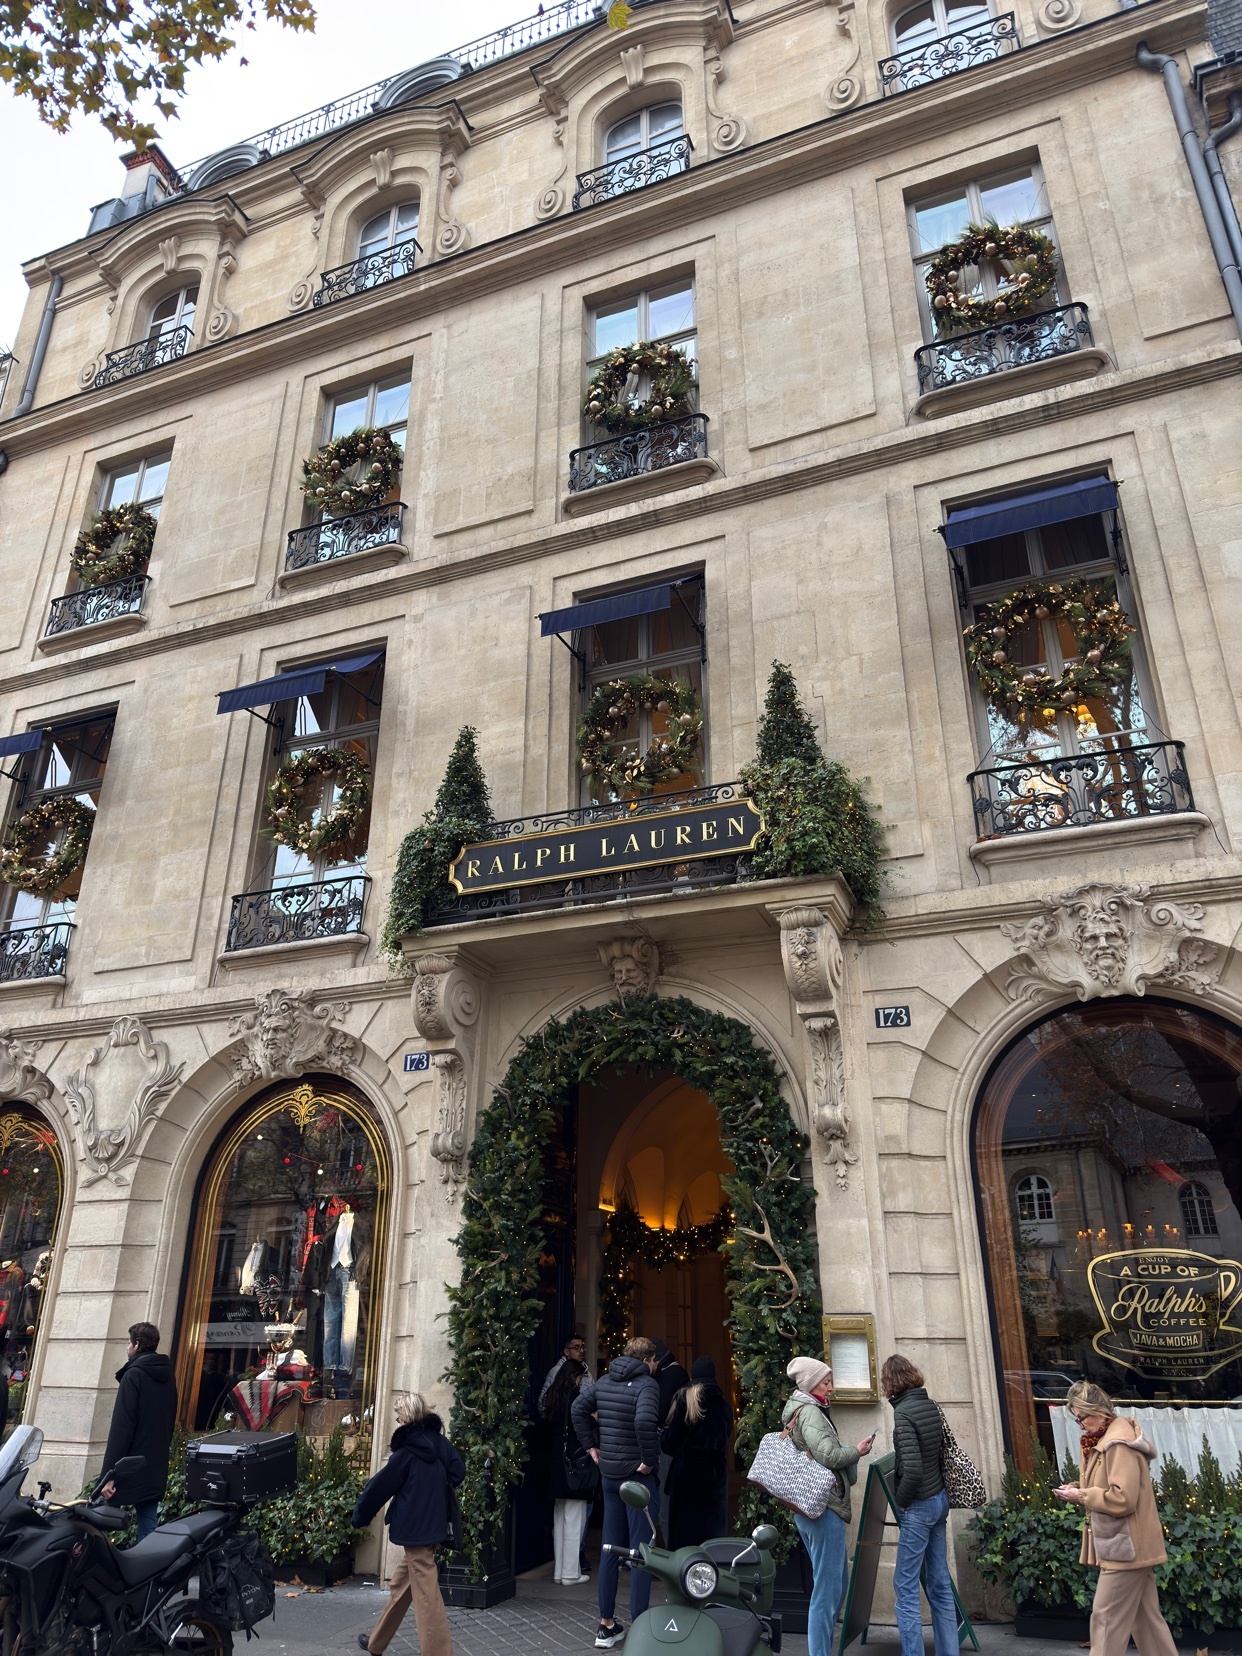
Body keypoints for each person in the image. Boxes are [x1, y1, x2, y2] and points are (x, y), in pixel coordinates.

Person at [1053, 1380, 1178, 1656]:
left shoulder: (1117, 1444)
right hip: (1128, 1544)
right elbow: (1109, 1486)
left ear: (1098, 1410)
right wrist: (1079, 1488)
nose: (1081, 1424)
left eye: (1082, 1417)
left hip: (1127, 1547)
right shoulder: (1102, 1441)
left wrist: (1082, 1497)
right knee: (1145, 1621)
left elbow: (1122, 1498)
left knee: (1105, 1619)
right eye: (1077, 1419)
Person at [353, 1393, 464, 1656]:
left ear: (407, 1417)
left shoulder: (404, 1454)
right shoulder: (441, 1445)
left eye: (399, 1414)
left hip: (414, 1530)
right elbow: (458, 1472)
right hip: (434, 1525)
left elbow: (378, 1489)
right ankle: (376, 1642)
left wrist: (360, 1516)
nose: (397, 1419)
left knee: (427, 1596)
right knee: (402, 1585)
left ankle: (438, 1652)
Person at [572, 1335, 662, 1649]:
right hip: (636, 1478)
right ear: (648, 1359)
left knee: (610, 1548)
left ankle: (606, 1625)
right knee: (640, 1552)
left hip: (609, 1475)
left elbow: (577, 1409)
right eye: (655, 1361)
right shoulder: (648, 1385)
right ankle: (639, 1625)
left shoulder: (606, 1380)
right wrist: (649, 1461)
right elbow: (645, 1420)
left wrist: (592, 1447)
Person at [782, 1356, 875, 1656]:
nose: (831, 1388)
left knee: (835, 1583)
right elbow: (829, 1456)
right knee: (827, 1590)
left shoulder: (806, 1410)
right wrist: (856, 1451)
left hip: (815, 1508)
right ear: (811, 1385)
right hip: (823, 1509)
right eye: (826, 1382)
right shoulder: (810, 1413)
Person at [881, 1354, 959, 1656]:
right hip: (939, 1499)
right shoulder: (930, 1404)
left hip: (920, 1506)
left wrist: (900, 1503)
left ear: (891, 1384)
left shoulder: (903, 1415)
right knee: (940, 1583)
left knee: (905, 1585)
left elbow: (911, 1470)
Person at [99, 1322, 178, 1541]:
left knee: (100, 1519)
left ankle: (99, 1572)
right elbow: (170, 1422)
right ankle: (148, 1571)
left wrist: (109, 1475)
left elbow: (122, 1428)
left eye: (129, 1343)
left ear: (137, 1344)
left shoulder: (133, 1375)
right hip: (154, 1463)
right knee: (148, 1522)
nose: (127, 1348)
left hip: (128, 1465)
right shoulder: (169, 1377)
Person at [661, 1355, 733, 1547]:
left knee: (686, 1540)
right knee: (711, 1539)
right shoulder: (725, 1406)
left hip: (687, 1478)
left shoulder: (687, 1402)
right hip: (715, 1478)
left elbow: (670, 1444)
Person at [543, 1353, 595, 1584]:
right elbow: (583, 1428)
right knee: (575, 1520)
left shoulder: (552, 1397)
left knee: (560, 1520)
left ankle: (558, 1572)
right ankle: (570, 1573)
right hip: (573, 1463)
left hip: (555, 1463)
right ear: (575, 1377)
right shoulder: (575, 1397)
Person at [539, 1332, 588, 1414]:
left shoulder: (586, 1372)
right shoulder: (557, 1371)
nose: (581, 1351)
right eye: (577, 1347)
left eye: (582, 1347)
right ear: (567, 1351)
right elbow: (543, 1401)